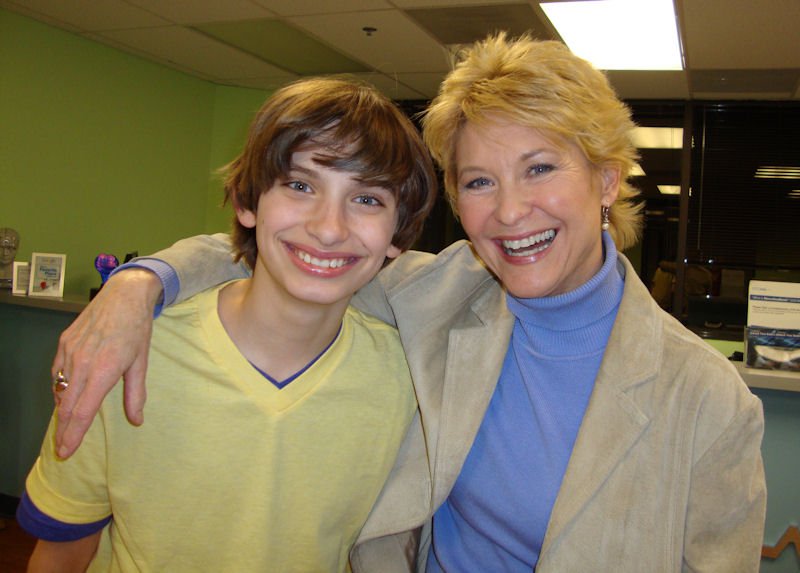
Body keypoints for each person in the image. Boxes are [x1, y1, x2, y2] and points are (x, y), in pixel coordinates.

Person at [47, 34, 766, 571]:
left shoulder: (708, 401)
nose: (510, 211)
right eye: (479, 181)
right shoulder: (440, 293)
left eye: (540, 168)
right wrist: (140, 282)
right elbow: (300, 253)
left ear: (608, 180)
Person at [18, 76, 437, 572]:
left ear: (398, 233)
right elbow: (64, 548)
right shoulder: (127, 349)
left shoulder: (409, 384)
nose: (329, 228)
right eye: (300, 186)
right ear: (247, 203)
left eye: (368, 199)